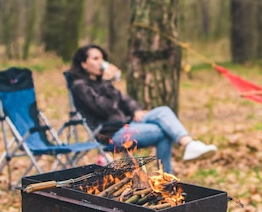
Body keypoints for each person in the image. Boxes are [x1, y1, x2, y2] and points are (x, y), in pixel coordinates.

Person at [68, 44, 217, 173]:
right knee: (164, 132)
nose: (101, 63)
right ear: (83, 64)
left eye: (102, 58)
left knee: (163, 110)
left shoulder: (102, 83)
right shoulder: (80, 86)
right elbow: (102, 109)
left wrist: (135, 110)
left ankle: (189, 144)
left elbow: (124, 100)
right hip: (110, 134)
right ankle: (167, 176)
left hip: (127, 124)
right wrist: (107, 83)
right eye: (95, 59)